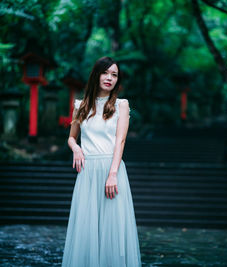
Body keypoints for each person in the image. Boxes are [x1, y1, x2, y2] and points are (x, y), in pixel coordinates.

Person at [61, 56, 141, 267]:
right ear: (96, 75)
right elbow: (71, 137)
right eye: (105, 73)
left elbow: (120, 140)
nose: (109, 78)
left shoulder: (121, 105)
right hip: (87, 173)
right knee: (86, 229)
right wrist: (76, 148)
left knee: (112, 228)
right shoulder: (81, 105)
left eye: (114, 75)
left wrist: (113, 173)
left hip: (111, 169)